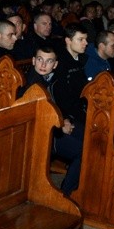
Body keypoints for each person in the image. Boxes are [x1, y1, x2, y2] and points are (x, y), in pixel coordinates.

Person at [24, 46, 84, 196]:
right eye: (39, 60)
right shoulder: (31, 84)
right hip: (44, 134)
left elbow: (66, 104)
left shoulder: (55, 79)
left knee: (90, 136)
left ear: (55, 64)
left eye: (49, 61)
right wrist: (60, 126)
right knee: (82, 151)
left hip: (58, 124)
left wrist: (67, 119)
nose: (43, 65)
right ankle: (65, 193)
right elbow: (37, 118)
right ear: (33, 61)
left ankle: (81, 185)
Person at [52, 23, 89, 124]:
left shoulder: (83, 59)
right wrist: (65, 118)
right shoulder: (60, 64)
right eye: (80, 39)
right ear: (68, 40)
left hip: (82, 109)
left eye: (86, 39)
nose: (85, 43)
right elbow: (60, 97)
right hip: (68, 117)